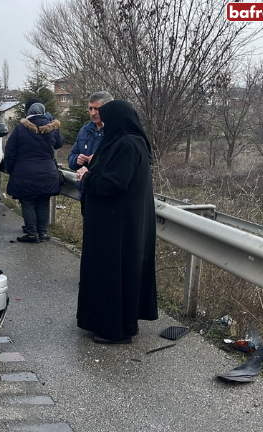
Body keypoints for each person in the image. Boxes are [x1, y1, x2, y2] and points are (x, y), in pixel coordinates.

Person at [74, 100, 157, 344]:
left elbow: (114, 183)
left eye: (107, 120)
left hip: (118, 226)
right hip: (115, 223)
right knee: (110, 273)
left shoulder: (128, 144)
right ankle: (104, 322)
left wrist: (87, 177)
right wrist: (90, 168)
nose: (104, 125)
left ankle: (116, 330)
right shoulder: (124, 142)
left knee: (114, 274)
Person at [4, 102, 64, 243]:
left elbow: (9, 152)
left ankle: (32, 233)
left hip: (24, 172)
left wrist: (12, 169)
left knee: (28, 202)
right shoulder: (51, 128)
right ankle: (42, 233)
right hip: (47, 173)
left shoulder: (20, 129)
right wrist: (52, 121)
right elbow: (59, 143)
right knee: (43, 201)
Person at [68, 91, 113, 214]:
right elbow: (71, 158)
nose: (93, 113)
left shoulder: (114, 133)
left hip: (105, 192)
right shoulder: (84, 131)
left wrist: (99, 159)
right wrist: (76, 159)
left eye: (97, 109)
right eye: (90, 109)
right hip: (85, 191)